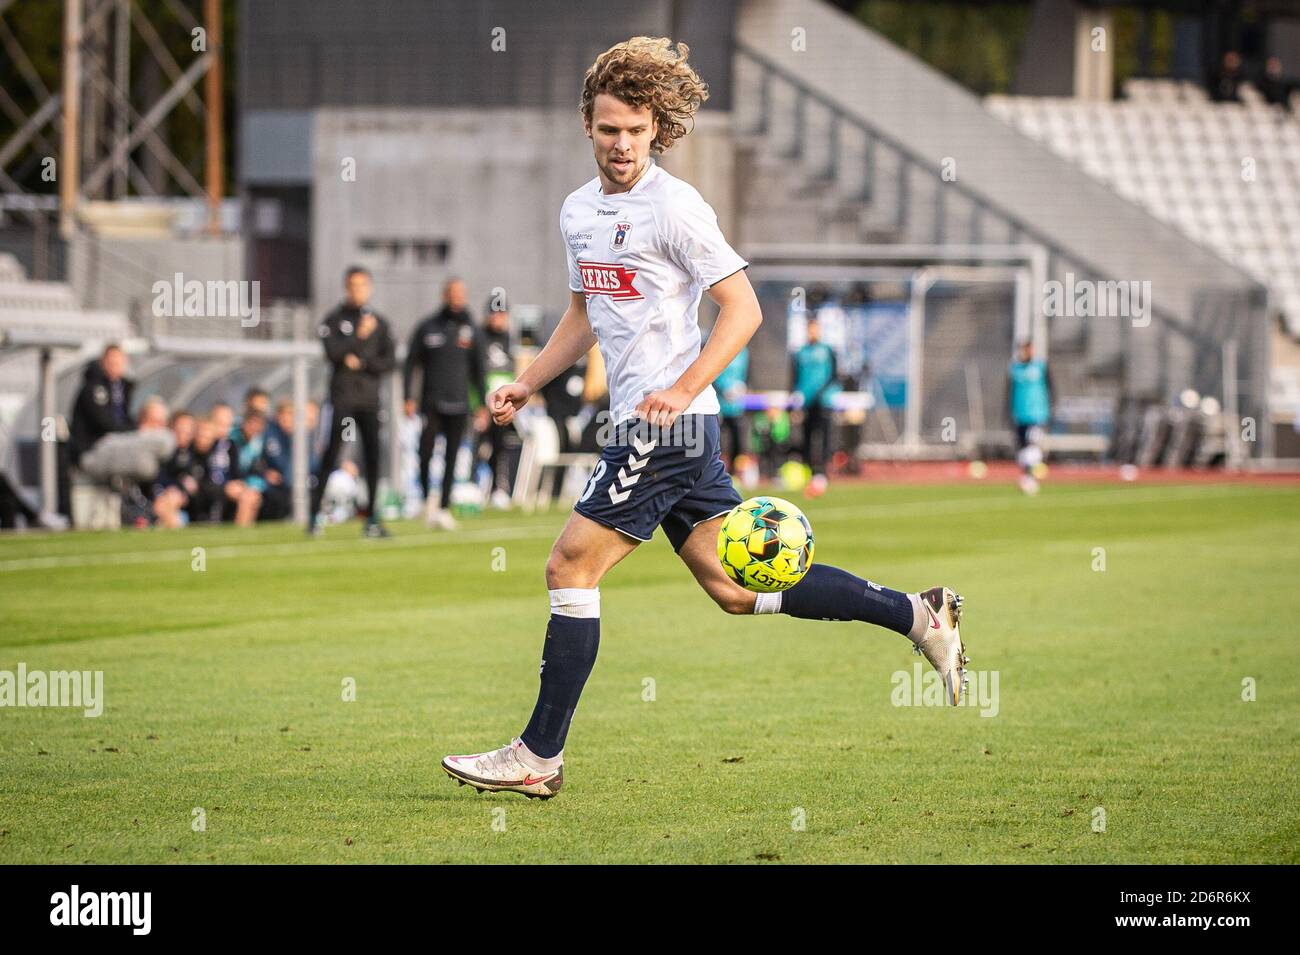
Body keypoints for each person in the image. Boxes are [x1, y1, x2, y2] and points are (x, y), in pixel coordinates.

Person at [441, 36, 970, 799]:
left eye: (634, 129)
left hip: (670, 428)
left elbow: (743, 309)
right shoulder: (577, 212)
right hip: (649, 425)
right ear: (587, 126)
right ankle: (918, 615)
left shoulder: (676, 206)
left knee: (569, 565)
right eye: (607, 128)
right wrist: (526, 381)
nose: (621, 143)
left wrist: (684, 387)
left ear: (658, 127)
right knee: (732, 586)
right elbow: (583, 314)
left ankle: (538, 754)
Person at [310, 266, 396, 538]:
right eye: (353, 286)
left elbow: (389, 361)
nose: (357, 291)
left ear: (368, 288)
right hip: (343, 398)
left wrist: (362, 362)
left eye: (362, 286)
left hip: (370, 400)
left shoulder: (380, 323)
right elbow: (333, 353)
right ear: (346, 287)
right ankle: (314, 516)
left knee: (372, 458)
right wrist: (358, 337)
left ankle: (372, 517)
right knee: (331, 454)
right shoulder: (334, 320)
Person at [404, 278, 485, 529]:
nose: (457, 298)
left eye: (461, 293)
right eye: (453, 293)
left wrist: (481, 404)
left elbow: (478, 370)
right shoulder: (427, 327)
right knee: (424, 452)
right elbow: (410, 363)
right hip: (431, 402)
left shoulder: (472, 330)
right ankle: (426, 498)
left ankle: (444, 507)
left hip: (459, 403)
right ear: (445, 295)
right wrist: (408, 396)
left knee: (452, 456)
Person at [479, 294, 520, 507]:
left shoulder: (509, 339)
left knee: (500, 446)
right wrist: (480, 403)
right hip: (481, 403)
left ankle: (498, 487)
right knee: (476, 444)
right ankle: (472, 486)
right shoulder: (479, 337)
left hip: (503, 402)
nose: (498, 318)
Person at [69, 344, 134, 467]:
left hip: (119, 440)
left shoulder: (127, 386)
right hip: (93, 446)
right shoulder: (93, 387)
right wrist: (135, 430)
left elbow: (129, 415)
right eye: (111, 360)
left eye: (118, 360)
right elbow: (104, 422)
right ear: (103, 362)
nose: (115, 363)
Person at [791, 316, 840, 478]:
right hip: (806, 400)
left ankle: (823, 470)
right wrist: (796, 398)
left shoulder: (827, 350)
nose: (812, 332)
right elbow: (795, 376)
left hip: (823, 400)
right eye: (810, 328)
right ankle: (808, 468)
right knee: (807, 434)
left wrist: (821, 391)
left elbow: (834, 375)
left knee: (824, 434)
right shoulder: (800, 352)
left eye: (815, 328)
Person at [1008, 339, 1053, 495]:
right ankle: (1027, 475)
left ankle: (1030, 477)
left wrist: (1052, 408)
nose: (1027, 352)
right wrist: (1008, 413)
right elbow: (1008, 391)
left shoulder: (1040, 366)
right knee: (1022, 448)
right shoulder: (1014, 369)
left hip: (1038, 414)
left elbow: (1050, 387)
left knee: (1032, 444)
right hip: (1020, 413)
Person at [715, 345, 749, 467]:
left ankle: (735, 471)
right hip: (719, 405)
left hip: (737, 406)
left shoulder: (744, 352)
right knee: (720, 441)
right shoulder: (719, 348)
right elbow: (714, 373)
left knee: (738, 439)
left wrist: (742, 387)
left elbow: (746, 373)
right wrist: (724, 388)